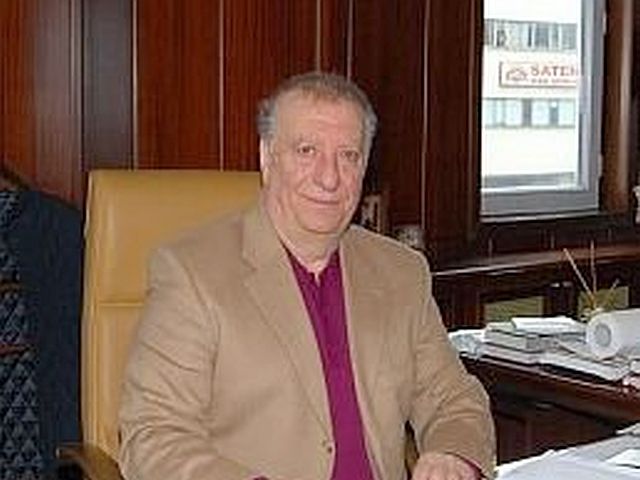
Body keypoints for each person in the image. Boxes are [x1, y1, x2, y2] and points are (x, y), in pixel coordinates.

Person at [118, 71, 495, 480]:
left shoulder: (401, 272)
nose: (329, 178)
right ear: (267, 158)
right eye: (306, 151)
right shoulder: (192, 273)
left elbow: (453, 398)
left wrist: (453, 455)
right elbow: (155, 437)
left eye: (348, 156)